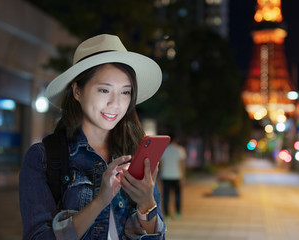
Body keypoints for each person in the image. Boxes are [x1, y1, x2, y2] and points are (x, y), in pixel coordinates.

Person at [19, 34, 166, 239]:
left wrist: (147, 203)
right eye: (104, 90)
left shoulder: (134, 155)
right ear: (77, 91)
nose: (115, 103)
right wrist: (100, 201)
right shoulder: (44, 158)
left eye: (125, 92)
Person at [159, 134, 186, 220]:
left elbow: (161, 164)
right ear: (175, 139)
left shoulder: (163, 150)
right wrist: (183, 176)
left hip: (166, 176)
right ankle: (178, 213)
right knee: (177, 195)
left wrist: (160, 175)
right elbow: (181, 164)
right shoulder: (180, 150)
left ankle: (166, 215)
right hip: (177, 176)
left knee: (166, 196)